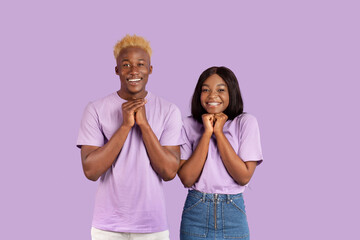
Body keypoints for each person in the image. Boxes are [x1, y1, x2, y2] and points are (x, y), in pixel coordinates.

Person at [77, 34, 183, 240]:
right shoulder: (95, 109)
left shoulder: (169, 110)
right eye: (126, 64)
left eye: (140, 64)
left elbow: (169, 172)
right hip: (107, 227)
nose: (134, 71)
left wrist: (143, 125)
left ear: (150, 69)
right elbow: (91, 170)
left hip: (153, 226)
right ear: (117, 70)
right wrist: (125, 126)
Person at [178, 66, 263, 240]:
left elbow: (244, 176)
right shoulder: (188, 125)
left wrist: (218, 132)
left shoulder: (245, 123)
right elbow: (187, 179)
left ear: (232, 93)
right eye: (205, 90)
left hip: (233, 212)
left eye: (221, 90)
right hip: (196, 212)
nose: (212, 95)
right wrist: (207, 133)